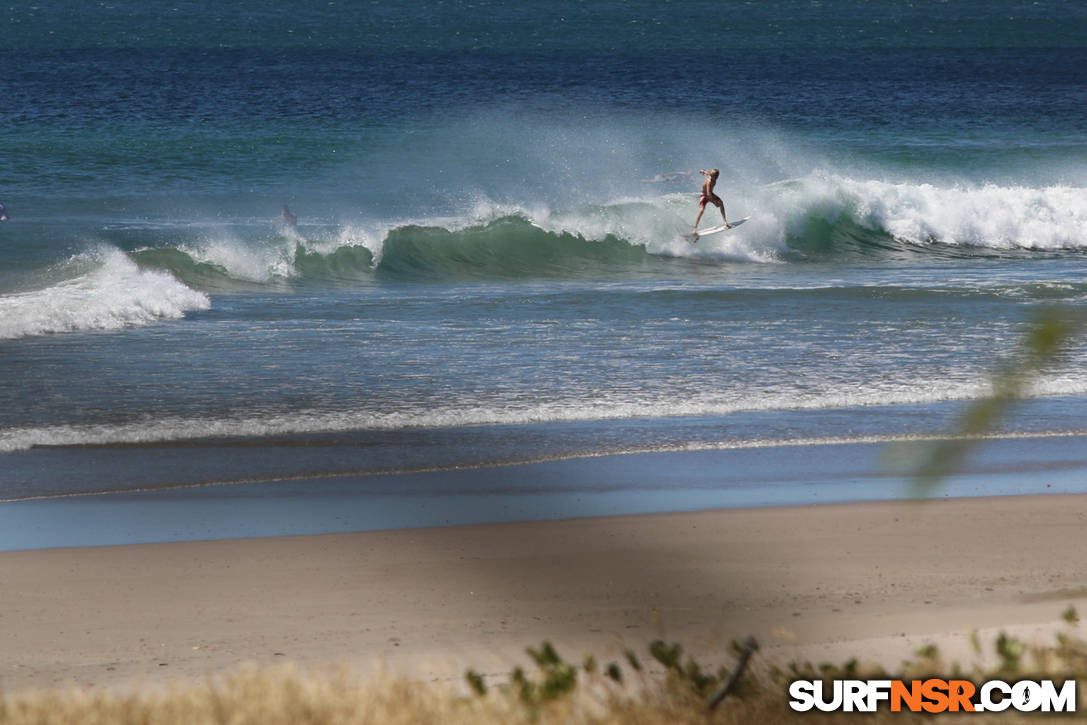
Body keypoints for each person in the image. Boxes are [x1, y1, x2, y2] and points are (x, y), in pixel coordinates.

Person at [693, 168, 729, 234]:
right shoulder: (709, 182)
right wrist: (715, 203)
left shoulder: (712, 175)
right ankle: (695, 228)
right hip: (704, 195)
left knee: (721, 203)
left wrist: (703, 171)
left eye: (718, 176)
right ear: (713, 176)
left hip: (710, 194)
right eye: (716, 176)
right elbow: (708, 194)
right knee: (702, 210)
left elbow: (707, 172)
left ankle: (725, 221)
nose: (717, 177)